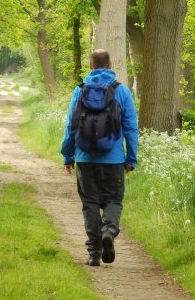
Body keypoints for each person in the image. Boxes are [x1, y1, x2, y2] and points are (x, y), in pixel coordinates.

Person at [61, 49, 138, 266]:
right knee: (113, 200)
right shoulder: (121, 91)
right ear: (110, 65)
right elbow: (131, 127)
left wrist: (68, 155)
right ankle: (109, 230)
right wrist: (131, 158)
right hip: (113, 159)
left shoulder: (80, 90)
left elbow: (71, 126)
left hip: (85, 158)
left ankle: (94, 254)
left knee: (90, 204)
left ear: (90, 66)